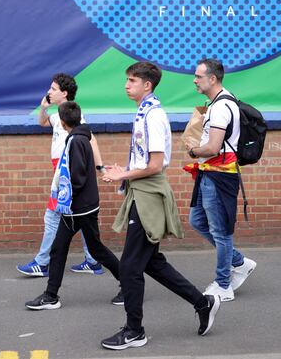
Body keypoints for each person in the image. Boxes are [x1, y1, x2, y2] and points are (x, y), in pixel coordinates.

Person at [100, 62, 220, 350]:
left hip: (148, 196)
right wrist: (126, 170)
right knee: (150, 262)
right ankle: (203, 303)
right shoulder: (145, 111)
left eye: (132, 81)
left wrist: (123, 174)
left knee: (129, 267)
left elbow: (155, 165)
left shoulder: (153, 115)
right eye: (126, 80)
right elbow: (145, 160)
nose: (127, 85)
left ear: (147, 85)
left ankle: (134, 330)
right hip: (140, 192)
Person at [25, 102, 122, 310]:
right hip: (82, 206)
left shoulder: (76, 141)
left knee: (86, 249)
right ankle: (51, 295)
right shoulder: (81, 137)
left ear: (61, 122)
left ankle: (129, 284)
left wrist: (64, 196)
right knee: (70, 249)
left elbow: (76, 176)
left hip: (78, 208)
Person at [16, 73, 109, 280]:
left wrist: (100, 167)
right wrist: (43, 108)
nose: (49, 91)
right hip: (62, 171)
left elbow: (91, 140)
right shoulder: (59, 114)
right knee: (82, 220)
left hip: (66, 174)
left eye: (53, 89)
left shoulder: (75, 116)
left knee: (51, 217)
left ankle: (42, 263)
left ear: (64, 93)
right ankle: (93, 261)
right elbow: (42, 123)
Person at [185, 58, 256, 302]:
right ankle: (239, 262)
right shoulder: (218, 102)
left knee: (221, 230)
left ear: (212, 79)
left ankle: (223, 285)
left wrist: (194, 150)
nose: (194, 80)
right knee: (197, 220)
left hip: (219, 175)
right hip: (209, 173)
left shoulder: (220, 107)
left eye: (198, 76)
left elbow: (214, 147)